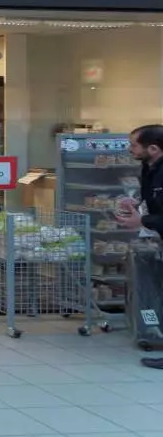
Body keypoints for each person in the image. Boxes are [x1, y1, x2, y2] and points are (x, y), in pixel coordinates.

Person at [129, 125, 163, 369]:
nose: (130, 149)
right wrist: (136, 203)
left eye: (134, 145)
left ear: (153, 148)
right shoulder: (149, 167)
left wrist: (143, 221)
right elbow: (152, 199)